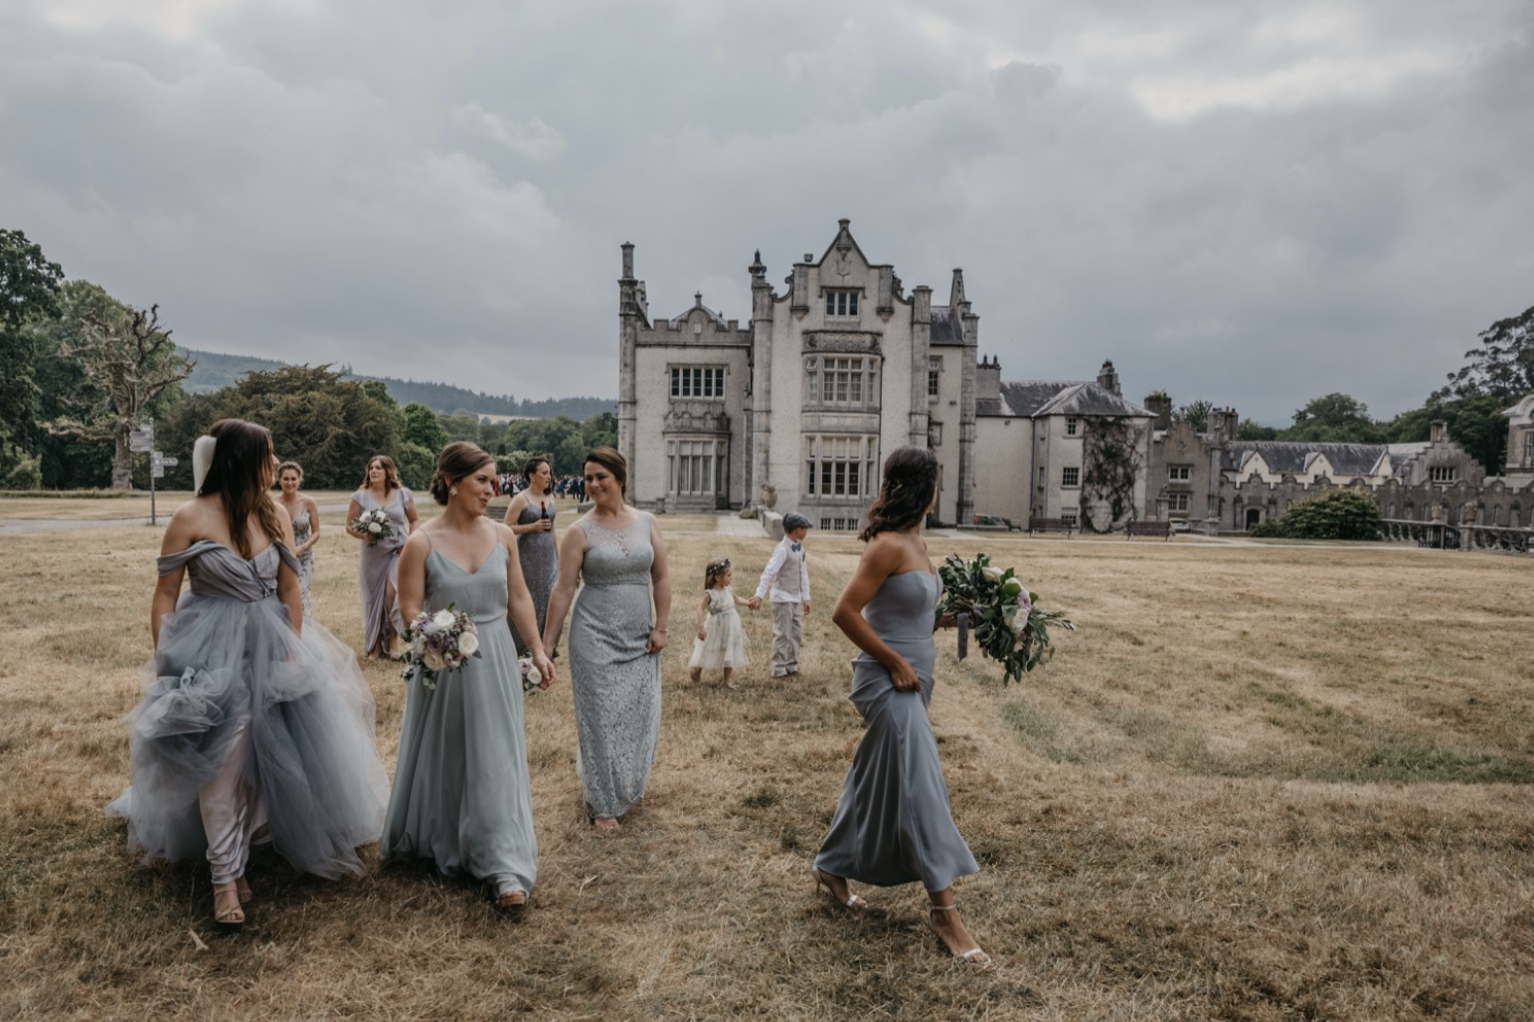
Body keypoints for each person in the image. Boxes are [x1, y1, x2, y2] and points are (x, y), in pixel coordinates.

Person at [107, 419, 388, 929]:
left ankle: (238, 858)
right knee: (219, 762)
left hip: (273, 643)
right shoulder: (189, 516)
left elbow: (288, 588)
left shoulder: (274, 512)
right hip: (210, 647)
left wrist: (293, 651)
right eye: (269, 455)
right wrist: (166, 656)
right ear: (241, 458)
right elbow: (166, 593)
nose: (277, 464)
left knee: (267, 757)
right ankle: (222, 880)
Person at [813, 446, 990, 967]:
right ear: (927, 488)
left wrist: (953, 620)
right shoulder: (887, 546)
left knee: (875, 774)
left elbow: (912, 614)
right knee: (921, 781)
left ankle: (831, 866)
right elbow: (844, 613)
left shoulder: (919, 542)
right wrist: (892, 661)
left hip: (916, 677)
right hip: (886, 680)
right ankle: (945, 912)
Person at [383, 442, 556, 911]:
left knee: (496, 753)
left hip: (496, 654)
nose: (493, 488)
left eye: (494, 479)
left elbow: (518, 598)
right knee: (451, 750)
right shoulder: (421, 542)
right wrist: (437, 635)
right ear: (452, 482)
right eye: (483, 480)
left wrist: (538, 650)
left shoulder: (503, 536)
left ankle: (503, 864)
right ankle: (444, 838)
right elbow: (409, 611)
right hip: (446, 662)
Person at [542, 446, 671, 832]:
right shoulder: (579, 531)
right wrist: (546, 645)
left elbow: (661, 578)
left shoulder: (647, 522)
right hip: (593, 634)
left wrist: (661, 626)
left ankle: (622, 780)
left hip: (639, 636)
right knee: (598, 717)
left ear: (619, 478)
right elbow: (563, 590)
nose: (593, 483)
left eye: (601, 476)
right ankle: (602, 804)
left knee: (635, 711)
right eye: (588, 477)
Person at [345, 454, 419, 659]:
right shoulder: (359, 497)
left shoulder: (403, 494)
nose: (374, 471)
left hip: (398, 550)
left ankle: (393, 640)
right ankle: (375, 645)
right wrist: (364, 534)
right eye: (371, 468)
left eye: (378, 468)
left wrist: (409, 542)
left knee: (392, 594)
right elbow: (349, 526)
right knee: (372, 598)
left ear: (389, 471)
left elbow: (414, 520)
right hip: (372, 553)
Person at [502, 455, 557, 656]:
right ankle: (517, 648)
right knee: (529, 600)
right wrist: (531, 527)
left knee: (549, 598)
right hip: (528, 557)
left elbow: (553, 530)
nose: (549, 476)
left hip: (549, 557)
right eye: (544, 473)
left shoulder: (550, 498)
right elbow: (505, 528)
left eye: (549, 472)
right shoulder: (521, 499)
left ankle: (544, 648)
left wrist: (558, 557)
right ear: (532, 476)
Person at [748, 512, 812, 677]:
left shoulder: (800, 550)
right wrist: (759, 595)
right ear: (797, 530)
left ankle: (792, 666)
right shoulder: (782, 550)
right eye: (805, 529)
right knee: (782, 633)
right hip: (782, 598)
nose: (806, 532)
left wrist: (806, 598)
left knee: (795, 633)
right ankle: (778, 668)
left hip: (794, 598)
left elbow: (803, 574)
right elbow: (768, 573)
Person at [688, 557, 751, 689]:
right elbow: (700, 609)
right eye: (728, 575)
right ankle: (696, 671)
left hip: (730, 627)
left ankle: (727, 681)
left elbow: (737, 599)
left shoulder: (728, 589)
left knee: (730, 651)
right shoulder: (710, 594)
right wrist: (701, 628)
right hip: (715, 627)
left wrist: (748, 603)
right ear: (717, 577)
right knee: (708, 649)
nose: (731, 578)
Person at [274, 460, 320, 621]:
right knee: (283, 598)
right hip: (281, 556)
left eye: (293, 479)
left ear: (300, 479)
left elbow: (316, 532)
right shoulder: (273, 504)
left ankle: (305, 636)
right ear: (279, 480)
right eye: (286, 479)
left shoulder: (308, 502)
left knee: (301, 596)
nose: (290, 482)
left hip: (304, 557)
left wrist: (302, 547)